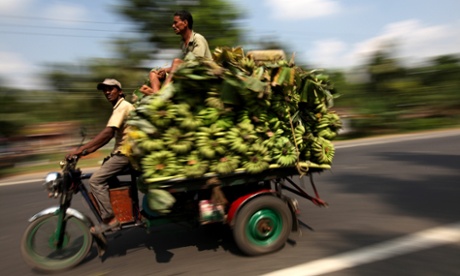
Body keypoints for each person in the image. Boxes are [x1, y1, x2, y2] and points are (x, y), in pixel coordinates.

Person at [66, 78, 135, 233]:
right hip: (121, 152)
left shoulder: (123, 107)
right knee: (106, 176)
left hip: (125, 154)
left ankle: (110, 220)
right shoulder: (118, 108)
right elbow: (107, 136)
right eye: (105, 90)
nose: (107, 92)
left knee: (95, 181)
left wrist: (80, 150)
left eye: (111, 89)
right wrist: (85, 151)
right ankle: (126, 211)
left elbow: (108, 133)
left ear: (120, 91)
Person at [140, 10, 212, 95]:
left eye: (176, 23)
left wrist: (169, 69)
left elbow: (195, 63)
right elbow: (183, 66)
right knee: (154, 72)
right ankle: (156, 94)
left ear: (185, 23)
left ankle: (162, 94)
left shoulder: (198, 39)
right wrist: (164, 71)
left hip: (202, 74)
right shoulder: (182, 43)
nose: (173, 26)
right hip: (188, 72)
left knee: (176, 61)